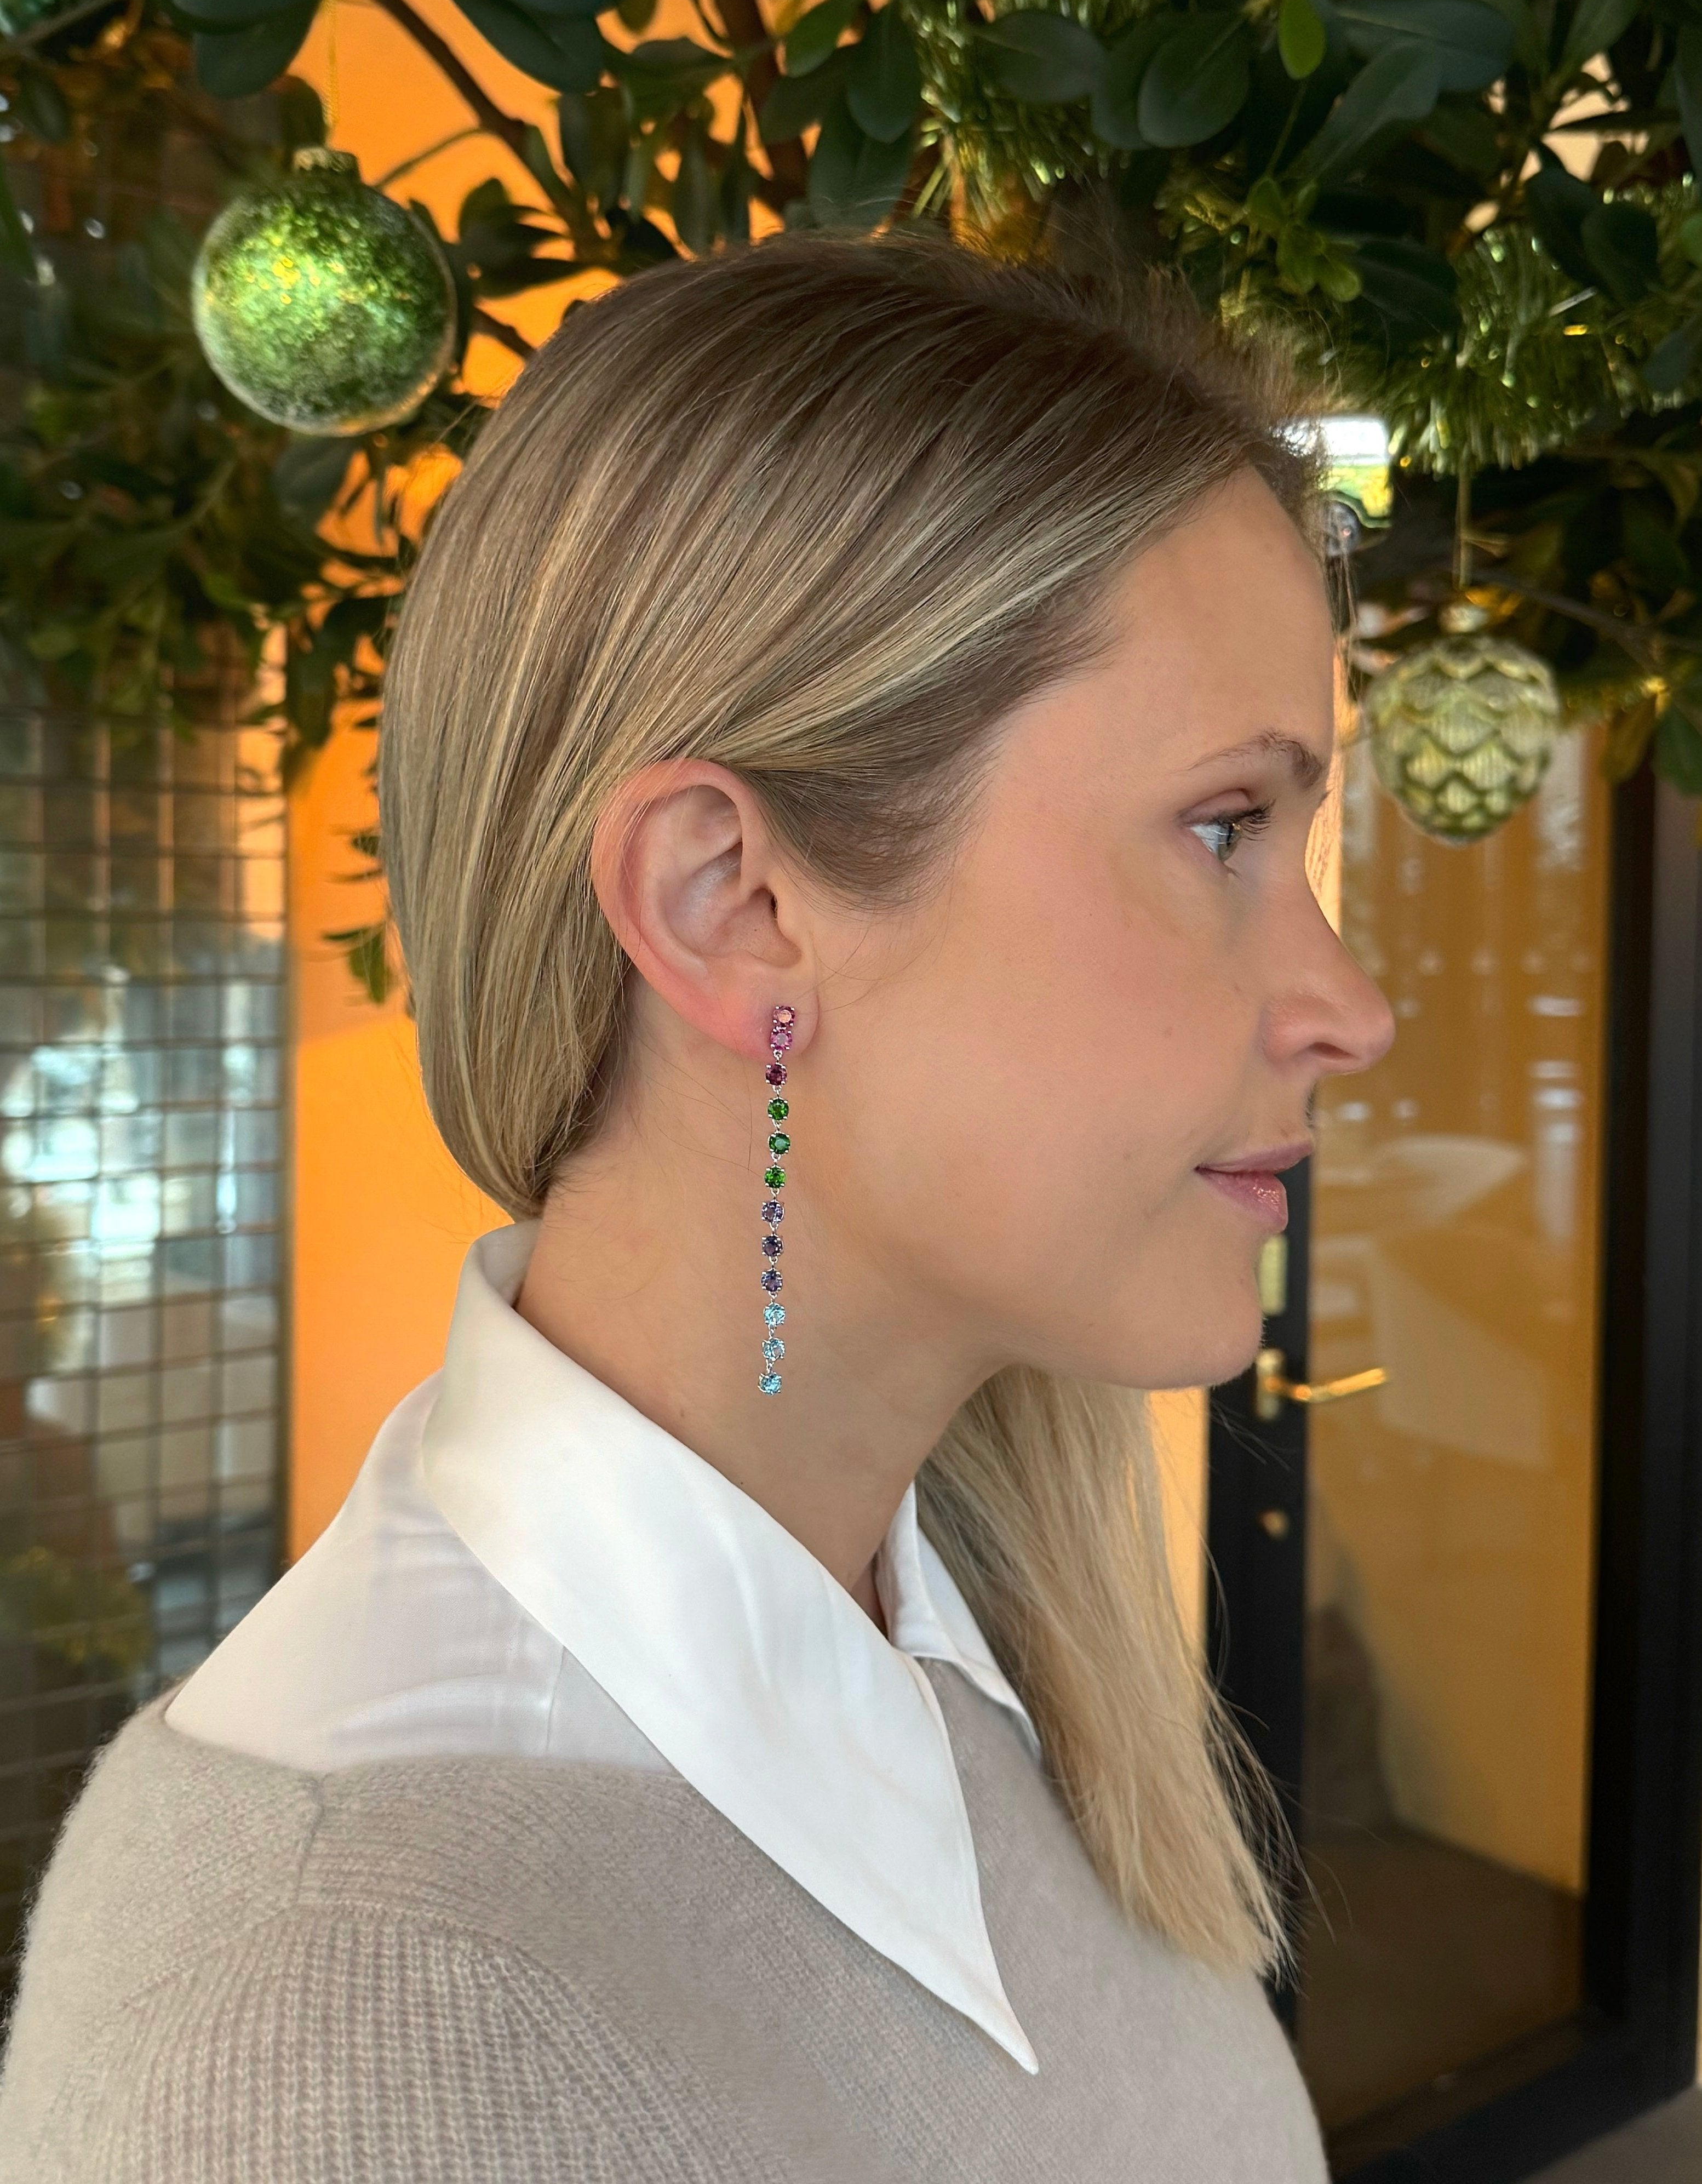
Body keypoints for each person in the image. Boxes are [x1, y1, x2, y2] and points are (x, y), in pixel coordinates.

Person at [0, 227, 1394, 2181]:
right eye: (1224, 825)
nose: (1348, 1006)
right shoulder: (322, 2023)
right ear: (726, 903)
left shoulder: (988, 1640)